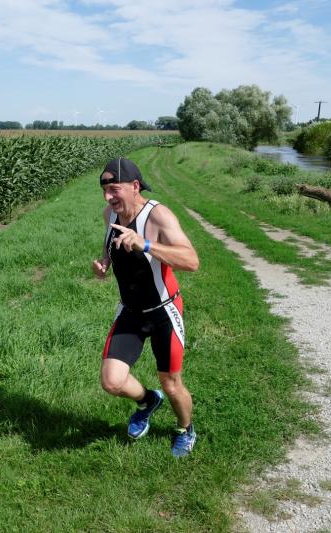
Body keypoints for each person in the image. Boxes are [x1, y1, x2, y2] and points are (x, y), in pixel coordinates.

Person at [93, 157, 200, 458]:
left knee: (171, 383)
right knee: (112, 381)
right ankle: (147, 401)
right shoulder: (110, 215)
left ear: (135, 186)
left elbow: (192, 261)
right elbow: (109, 246)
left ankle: (185, 429)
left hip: (164, 311)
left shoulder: (158, 216)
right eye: (104, 191)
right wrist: (104, 263)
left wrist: (147, 245)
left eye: (114, 189)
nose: (107, 197)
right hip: (130, 312)